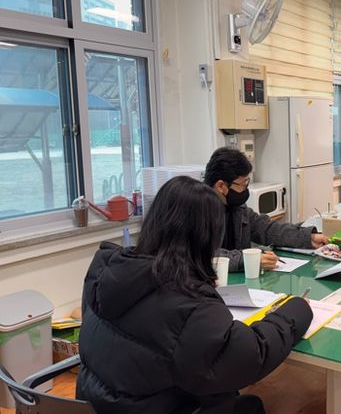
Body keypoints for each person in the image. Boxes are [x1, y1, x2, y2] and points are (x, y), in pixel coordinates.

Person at [76, 176, 313, 414]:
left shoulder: (106, 273)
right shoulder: (188, 304)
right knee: (249, 406)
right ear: (207, 236)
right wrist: (296, 309)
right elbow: (251, 355)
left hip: (100, 404)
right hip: (162, 406)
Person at [204, 147, 327, 272]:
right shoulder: (198, 209)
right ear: (221, 186)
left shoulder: (237, 207)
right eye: (243, 184)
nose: (246, 188)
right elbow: (203, 255)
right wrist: (249, 260)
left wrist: (307, 237)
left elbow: (266, 229)